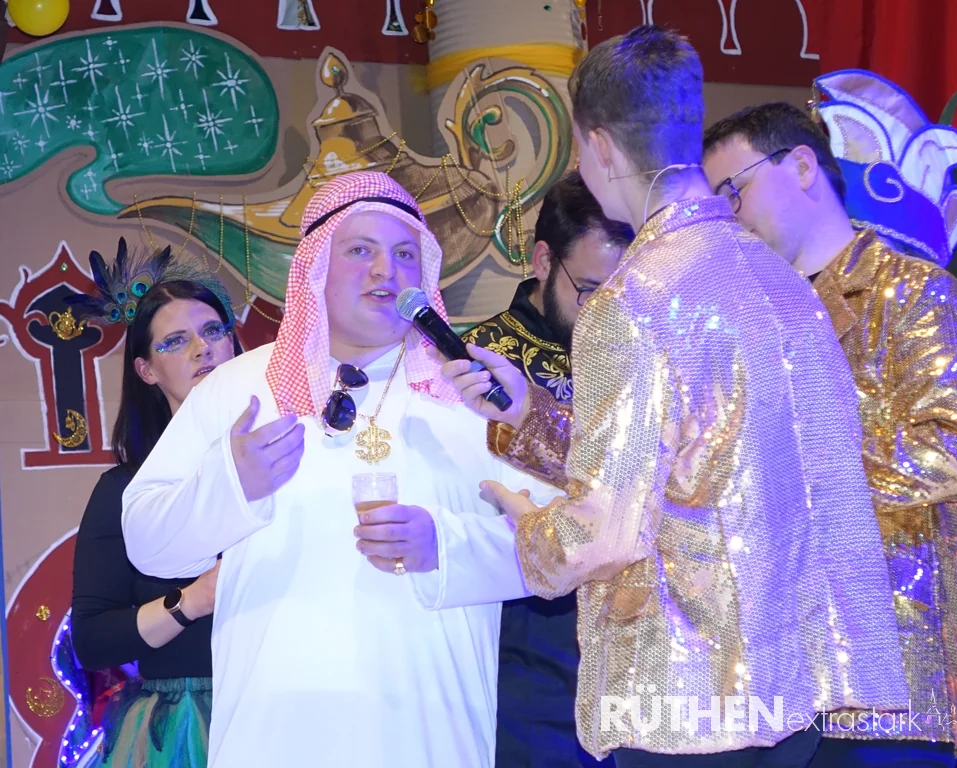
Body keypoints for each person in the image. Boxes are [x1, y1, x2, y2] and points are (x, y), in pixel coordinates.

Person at [440, 25, 908, 768]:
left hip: (686, 689)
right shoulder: (785, 283)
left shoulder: (630, 301)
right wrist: (531, 417)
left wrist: (529, 529)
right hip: (798, 686)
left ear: (598, 146)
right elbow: (717, 469)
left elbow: (607, 532)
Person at [119, 171, 558, 768]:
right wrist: (232, 485)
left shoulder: (475, 392)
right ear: (315, 267)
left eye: (405, 254)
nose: (386, 271)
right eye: (360, 250)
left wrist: (446, 547)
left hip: (431, 734)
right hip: (272, 737)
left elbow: (566, 542)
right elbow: (147, 541)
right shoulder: (236, 388)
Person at [702, 101, 957, 768]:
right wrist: (530, 420)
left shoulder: (914, 293)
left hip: (881, 689)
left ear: (801, 165)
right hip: (761, 693)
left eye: (734, 189)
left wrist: (797, 467)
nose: (727, 215)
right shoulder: (743, 324)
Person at [462, 170, 633, 768]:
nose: (609, 314)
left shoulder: (644, 350)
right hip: (529, 639)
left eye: (624, 293)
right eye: (590, 290)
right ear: (542, 261)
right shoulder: (475, 365)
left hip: (637, 636)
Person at [69, 238, 242, 767]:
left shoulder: (294, 457)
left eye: (214, 331)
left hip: (294, 699)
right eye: (175, 341)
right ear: (146, 370)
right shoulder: (125, 490)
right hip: (189, 723)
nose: (202, 349)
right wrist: (195, 599)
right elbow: (93, 640)